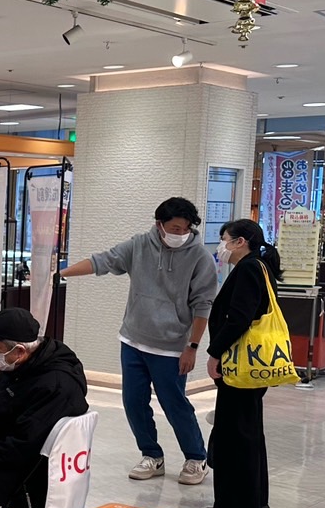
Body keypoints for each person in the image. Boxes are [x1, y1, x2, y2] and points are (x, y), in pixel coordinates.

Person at [62, 197, 215, 485]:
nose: (181, 234)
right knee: (133, 402)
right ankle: (152, 455)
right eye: (175, 228)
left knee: (174, 404)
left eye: (186, 229)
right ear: (159, 225)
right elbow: (103, 261)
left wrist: (192, 347)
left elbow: (203, 305)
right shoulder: (140, 245)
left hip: (171, 347)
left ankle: (196, 458)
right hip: (133, 340)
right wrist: (62, 273)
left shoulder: (200, 257)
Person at [0, 307, 89, 508]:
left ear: (20, 351)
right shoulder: (20, 366)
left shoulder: (56, 385)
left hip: (20, 475)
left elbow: (22, 446)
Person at [204, 220, 283, 508]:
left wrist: (214, 353)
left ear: (240, 241)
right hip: (252, 364)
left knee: (234, 432)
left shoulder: (249, 268)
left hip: (240, 364)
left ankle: (237, 504)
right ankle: (254, 498)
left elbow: (238, 318)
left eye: (224, 239)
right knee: (248, 429)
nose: (221, 245)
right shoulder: (259, 267)